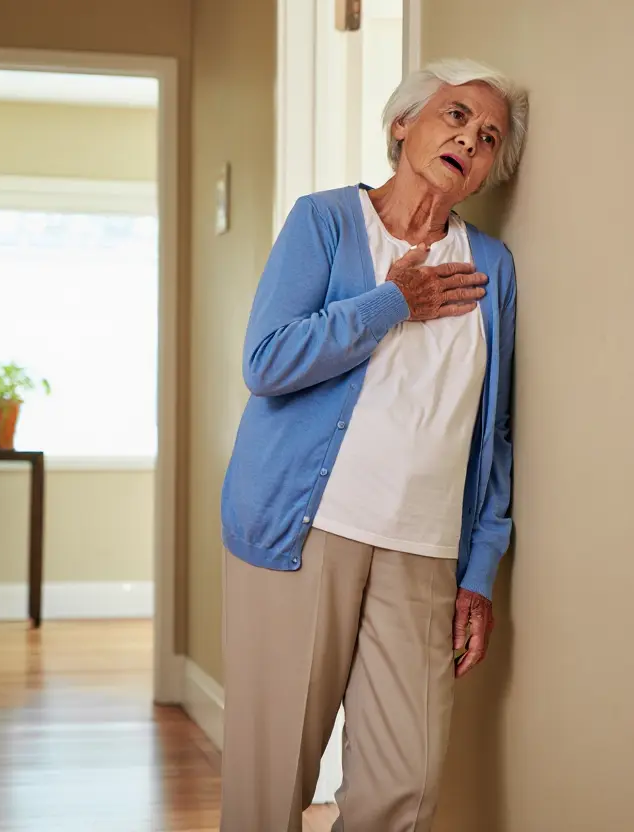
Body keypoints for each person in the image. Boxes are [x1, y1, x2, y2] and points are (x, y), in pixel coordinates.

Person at [219, 57, 528, 831]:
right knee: (272, 775)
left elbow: (496, 430)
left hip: (424, 548)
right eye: (455, 115)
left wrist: (479, 570)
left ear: (489, 171)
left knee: (407, 784)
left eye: (488, 137)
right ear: (404, 124)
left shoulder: (493, 266)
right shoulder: (324, 222)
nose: (470, 139)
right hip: (306, 530)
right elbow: (267, 361)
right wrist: (391, 303)